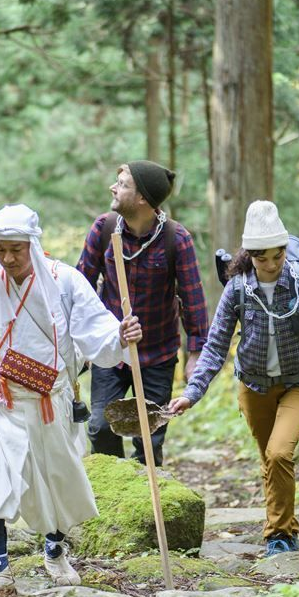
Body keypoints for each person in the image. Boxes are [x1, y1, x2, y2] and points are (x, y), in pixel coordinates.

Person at [0, 204, 142, 590]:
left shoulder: (66, 281)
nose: (8, 258)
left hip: (51, 399)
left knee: (55, 483)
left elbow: (97, 331)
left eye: (16, 249)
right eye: (1, 249)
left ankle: (55, 550)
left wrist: (120, 336)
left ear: (33, 243)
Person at [168, 200, 299, 557]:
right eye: (262, 258)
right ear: (250, 255)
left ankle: (279, 537)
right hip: (254, 384)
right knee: (270, 458)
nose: (271, 265)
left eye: (277, 256)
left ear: (285, 250)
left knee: (279, 453)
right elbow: (215, 347)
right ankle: (285, 528)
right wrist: (191, 393)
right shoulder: (238, 289)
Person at [76, 160, 209, 466]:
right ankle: (114, 497)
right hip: (111, 349)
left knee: (148, 437)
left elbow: (193, 297)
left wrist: (195, 352)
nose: (113, 186)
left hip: (158, 354)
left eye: (122, 184)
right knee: (99, 427)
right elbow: (79, 287)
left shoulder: (177, 239)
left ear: (142, 200)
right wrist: (82, 341)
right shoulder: (104, 228)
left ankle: (150, 502)